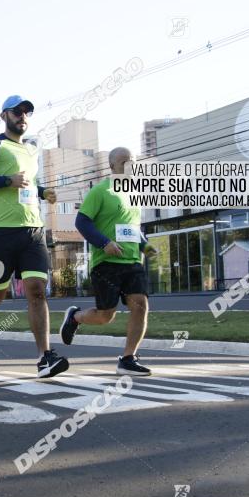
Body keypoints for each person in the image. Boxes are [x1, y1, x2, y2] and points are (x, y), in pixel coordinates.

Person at [0, 95, 68, 379]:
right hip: (0, 232)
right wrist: (5, 181)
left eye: (27, 112)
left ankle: (45, 357)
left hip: (33, 230)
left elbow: (28, 182)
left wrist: (44, 192)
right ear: (4, 115)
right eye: (17, 111)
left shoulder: (31, 150)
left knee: (36, 290)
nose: (23, 116)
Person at [60, 146, 157, 376]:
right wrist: (104, 243)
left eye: (132, 161)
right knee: (106, 316)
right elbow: (82, 222)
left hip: (132, 261)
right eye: (124, 162)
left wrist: (144, 245)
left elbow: (131, 228)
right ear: (112, 166)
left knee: (141, 306)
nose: (129, 166)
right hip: (106, 263)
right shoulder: (101, 191)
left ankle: (127, 359)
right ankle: (75, 317)